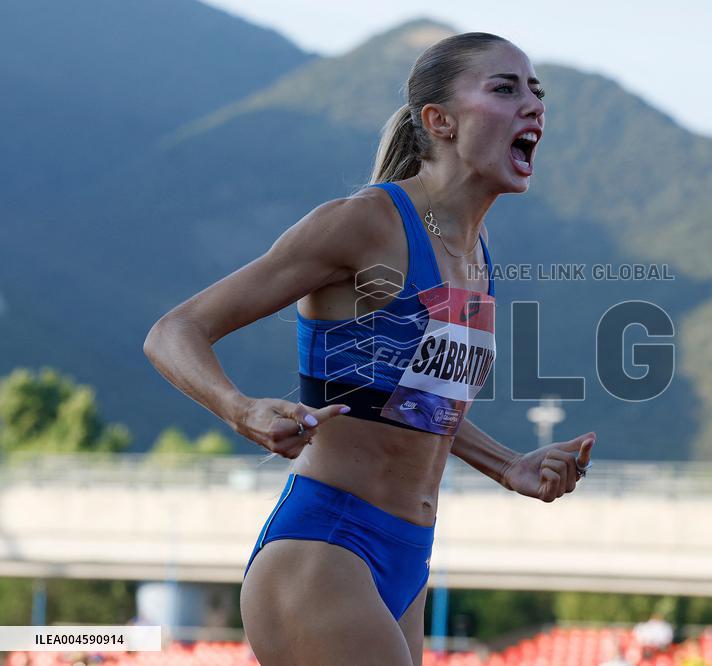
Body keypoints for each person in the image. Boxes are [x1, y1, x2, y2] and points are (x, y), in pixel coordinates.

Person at [143, 32, 597, 666]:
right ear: (439, 121)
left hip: (405, 558)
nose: (534, 105)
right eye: (505, 88)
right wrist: (240, 408)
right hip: (326, 547)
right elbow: (174, 330)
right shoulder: (363, 223)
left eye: (536, 91)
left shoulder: (474, 255)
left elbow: (411, 402)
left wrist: (507, 465)